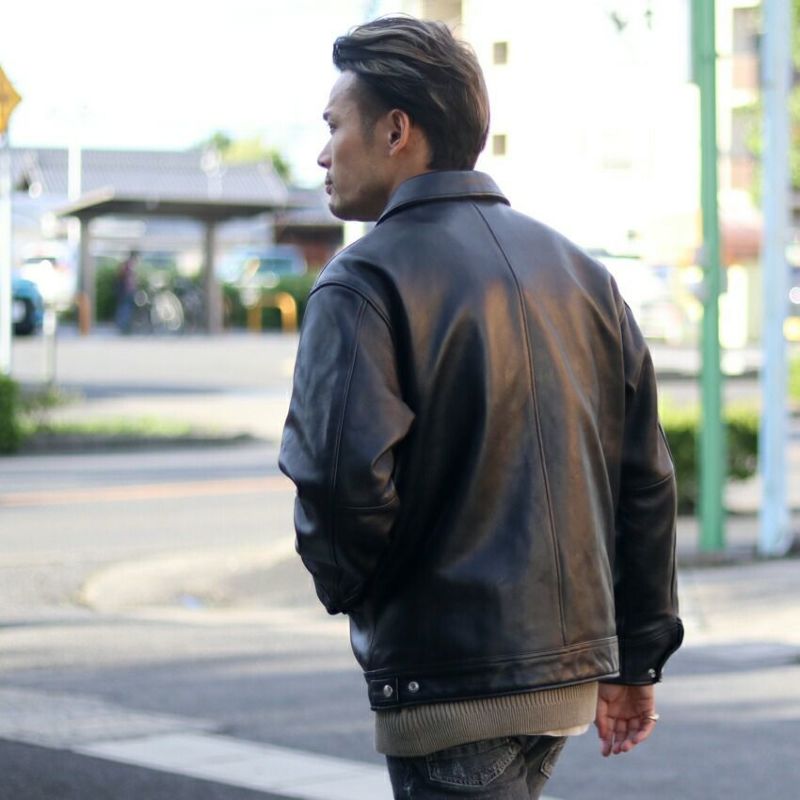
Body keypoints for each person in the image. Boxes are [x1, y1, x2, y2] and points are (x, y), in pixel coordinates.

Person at [279, 15, 683, 799]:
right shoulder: (584, 274)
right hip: (566, 684)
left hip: (448, 683)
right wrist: (636, 660)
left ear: (396, 130)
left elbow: (339, 485)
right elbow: (644, 481)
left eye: (333, 126)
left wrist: (370, 599)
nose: (323, 154)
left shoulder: (363, 280)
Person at [115, 250, 139, 333]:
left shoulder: (126, 265)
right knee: (125, 309)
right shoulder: (129, 265)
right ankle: (123, 327)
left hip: (127, 291)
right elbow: (127, 279)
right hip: (126, 291)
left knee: (125, 309)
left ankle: (124, 327)